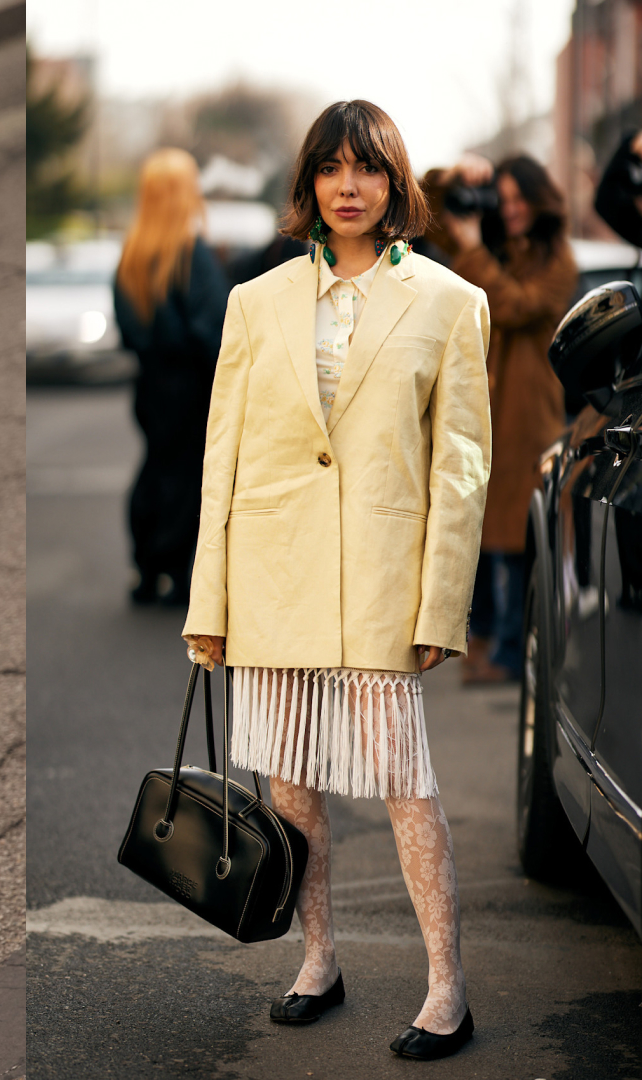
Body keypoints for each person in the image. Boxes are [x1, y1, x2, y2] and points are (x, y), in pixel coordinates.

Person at [182, 100, 491, 1061]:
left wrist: (443, 600)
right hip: (274, 579)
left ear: (396, 183)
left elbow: (461, 465)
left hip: (383, 585)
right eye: (330, 169)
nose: (347, 187)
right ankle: (319, 960)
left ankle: (447, 986)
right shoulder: (254, 302)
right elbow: (222, 458)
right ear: (308, 183)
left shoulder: (450, 302)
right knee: (292, 790)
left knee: (405, 783)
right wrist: (210, 603)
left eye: (367, 169)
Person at [430, 154, 575, 683]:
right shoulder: (493, 247)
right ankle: (485, 640)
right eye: (503, 199)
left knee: (518, 540)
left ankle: (512, 651)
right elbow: (425, 212)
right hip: (485, 407)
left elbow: (515, 304)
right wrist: (454, 177)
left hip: (528, 415)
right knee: (480, 529)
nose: (511, 210)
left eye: (520, 199)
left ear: (541, 201)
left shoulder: (559, 260)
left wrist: (472, 250)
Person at [113, 148, 230, 605]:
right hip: (192, 382)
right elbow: (212, 329)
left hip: (150, 381)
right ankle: (178, 571)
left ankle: (146, 565)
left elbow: (126, 327)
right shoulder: (190, 252)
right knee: (189, 475)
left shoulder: (132, 253)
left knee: (155, 466)